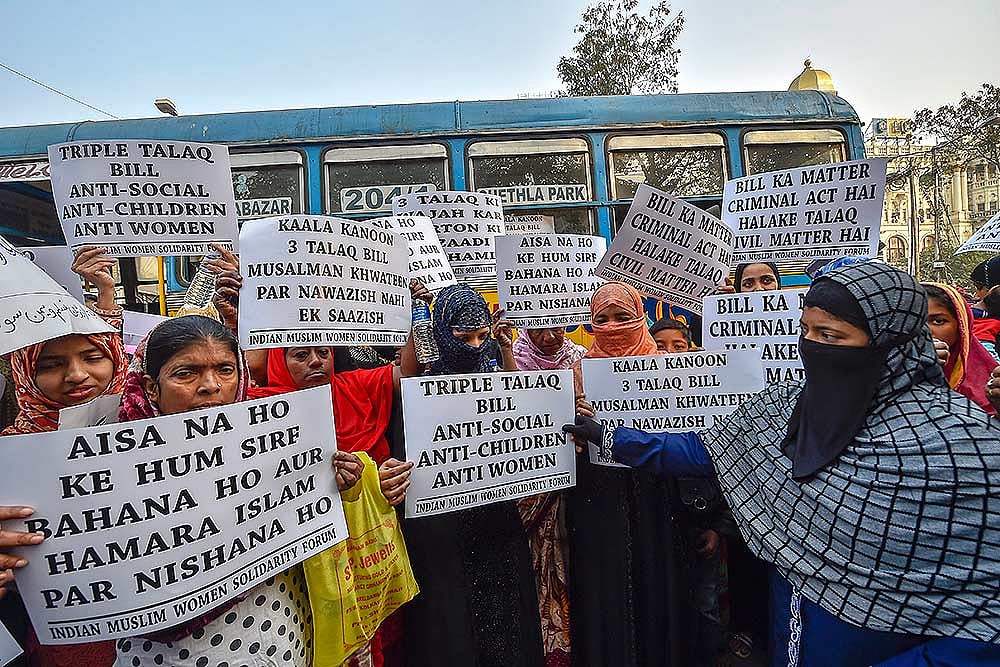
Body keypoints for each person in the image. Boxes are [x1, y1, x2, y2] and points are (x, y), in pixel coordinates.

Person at [566, 262, 1000, 666]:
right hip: (788, 633)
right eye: (805, 331)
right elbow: (706, 452)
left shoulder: (965, 447)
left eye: (830, 336)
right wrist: (611, 437)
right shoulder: (785, 407)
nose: (811, 347)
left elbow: (985, 627)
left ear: (894, 342)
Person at [111, 315, 361, 667]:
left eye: (226, 370)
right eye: (186, 373)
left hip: (282, 634)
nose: (211, 386)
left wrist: (334, 484)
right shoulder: (110, 468)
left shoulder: (278, 441)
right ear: (152, 388)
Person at [385, 283, 544, 667]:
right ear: (442, 332)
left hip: (495, 520)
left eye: (480, 336)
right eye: (462, 336)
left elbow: (518, 405)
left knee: (501, 613)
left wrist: (503, 348)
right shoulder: (418, 385)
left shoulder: (494, 369)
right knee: (451, 616)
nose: (473, 346)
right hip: (442, 527)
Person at [0, 245, 127, 667]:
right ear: (24, 373)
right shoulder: (9, 456)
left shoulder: (153, 427)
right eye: (51, 365)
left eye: (94, 357)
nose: (77, 376)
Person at [567, 282, 694, 667]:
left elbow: (686, 439)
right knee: (607, 587)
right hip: (599, 498)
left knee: (659, 581)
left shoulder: (670, 369)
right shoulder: (575, 372)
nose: (611, 327)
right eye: (600, 319)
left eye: (622, 317)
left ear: (640, 317)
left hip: (657, 494)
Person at [511, 326, 586, 667]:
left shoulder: (580, 361)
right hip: (527, 497)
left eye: (556, 326)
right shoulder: (510, 361)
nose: (549, 337)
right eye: (539, 329)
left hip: (574, 494)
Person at [922, 282, 998, 414]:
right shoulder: (883, 369)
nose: (925, 331)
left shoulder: (988, 380)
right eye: (916, 321)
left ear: (961, 327)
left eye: (938, 321)